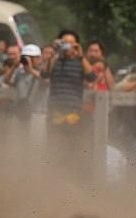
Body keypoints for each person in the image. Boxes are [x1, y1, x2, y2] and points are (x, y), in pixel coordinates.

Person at [41, 30, 96, 171]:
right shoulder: (55, 60)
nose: (68, 46)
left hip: (74, 113)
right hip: (55, 112)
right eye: (65, 43)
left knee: (75, 150)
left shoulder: (80, 61)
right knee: (54, 150)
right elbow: (45, 74)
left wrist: (81, 55)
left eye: (72, 43)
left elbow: (91, 76)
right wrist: (53, 53)